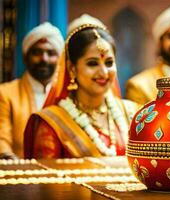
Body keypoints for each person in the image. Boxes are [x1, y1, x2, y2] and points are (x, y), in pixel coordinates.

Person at [24, 23, 139, 159]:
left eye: (109, 63)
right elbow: (46, 178)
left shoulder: (131, 113)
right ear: (72, 69)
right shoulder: (52, 123)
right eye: (92, 63)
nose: (104, 72)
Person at [0, 22, 64, 159]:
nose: (44, 59)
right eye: (37, 52)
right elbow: (2, 138)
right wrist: (8, 159)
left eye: (51, 53)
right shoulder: (6, 93)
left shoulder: (67, 94)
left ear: (60, 59)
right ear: (25, 57)